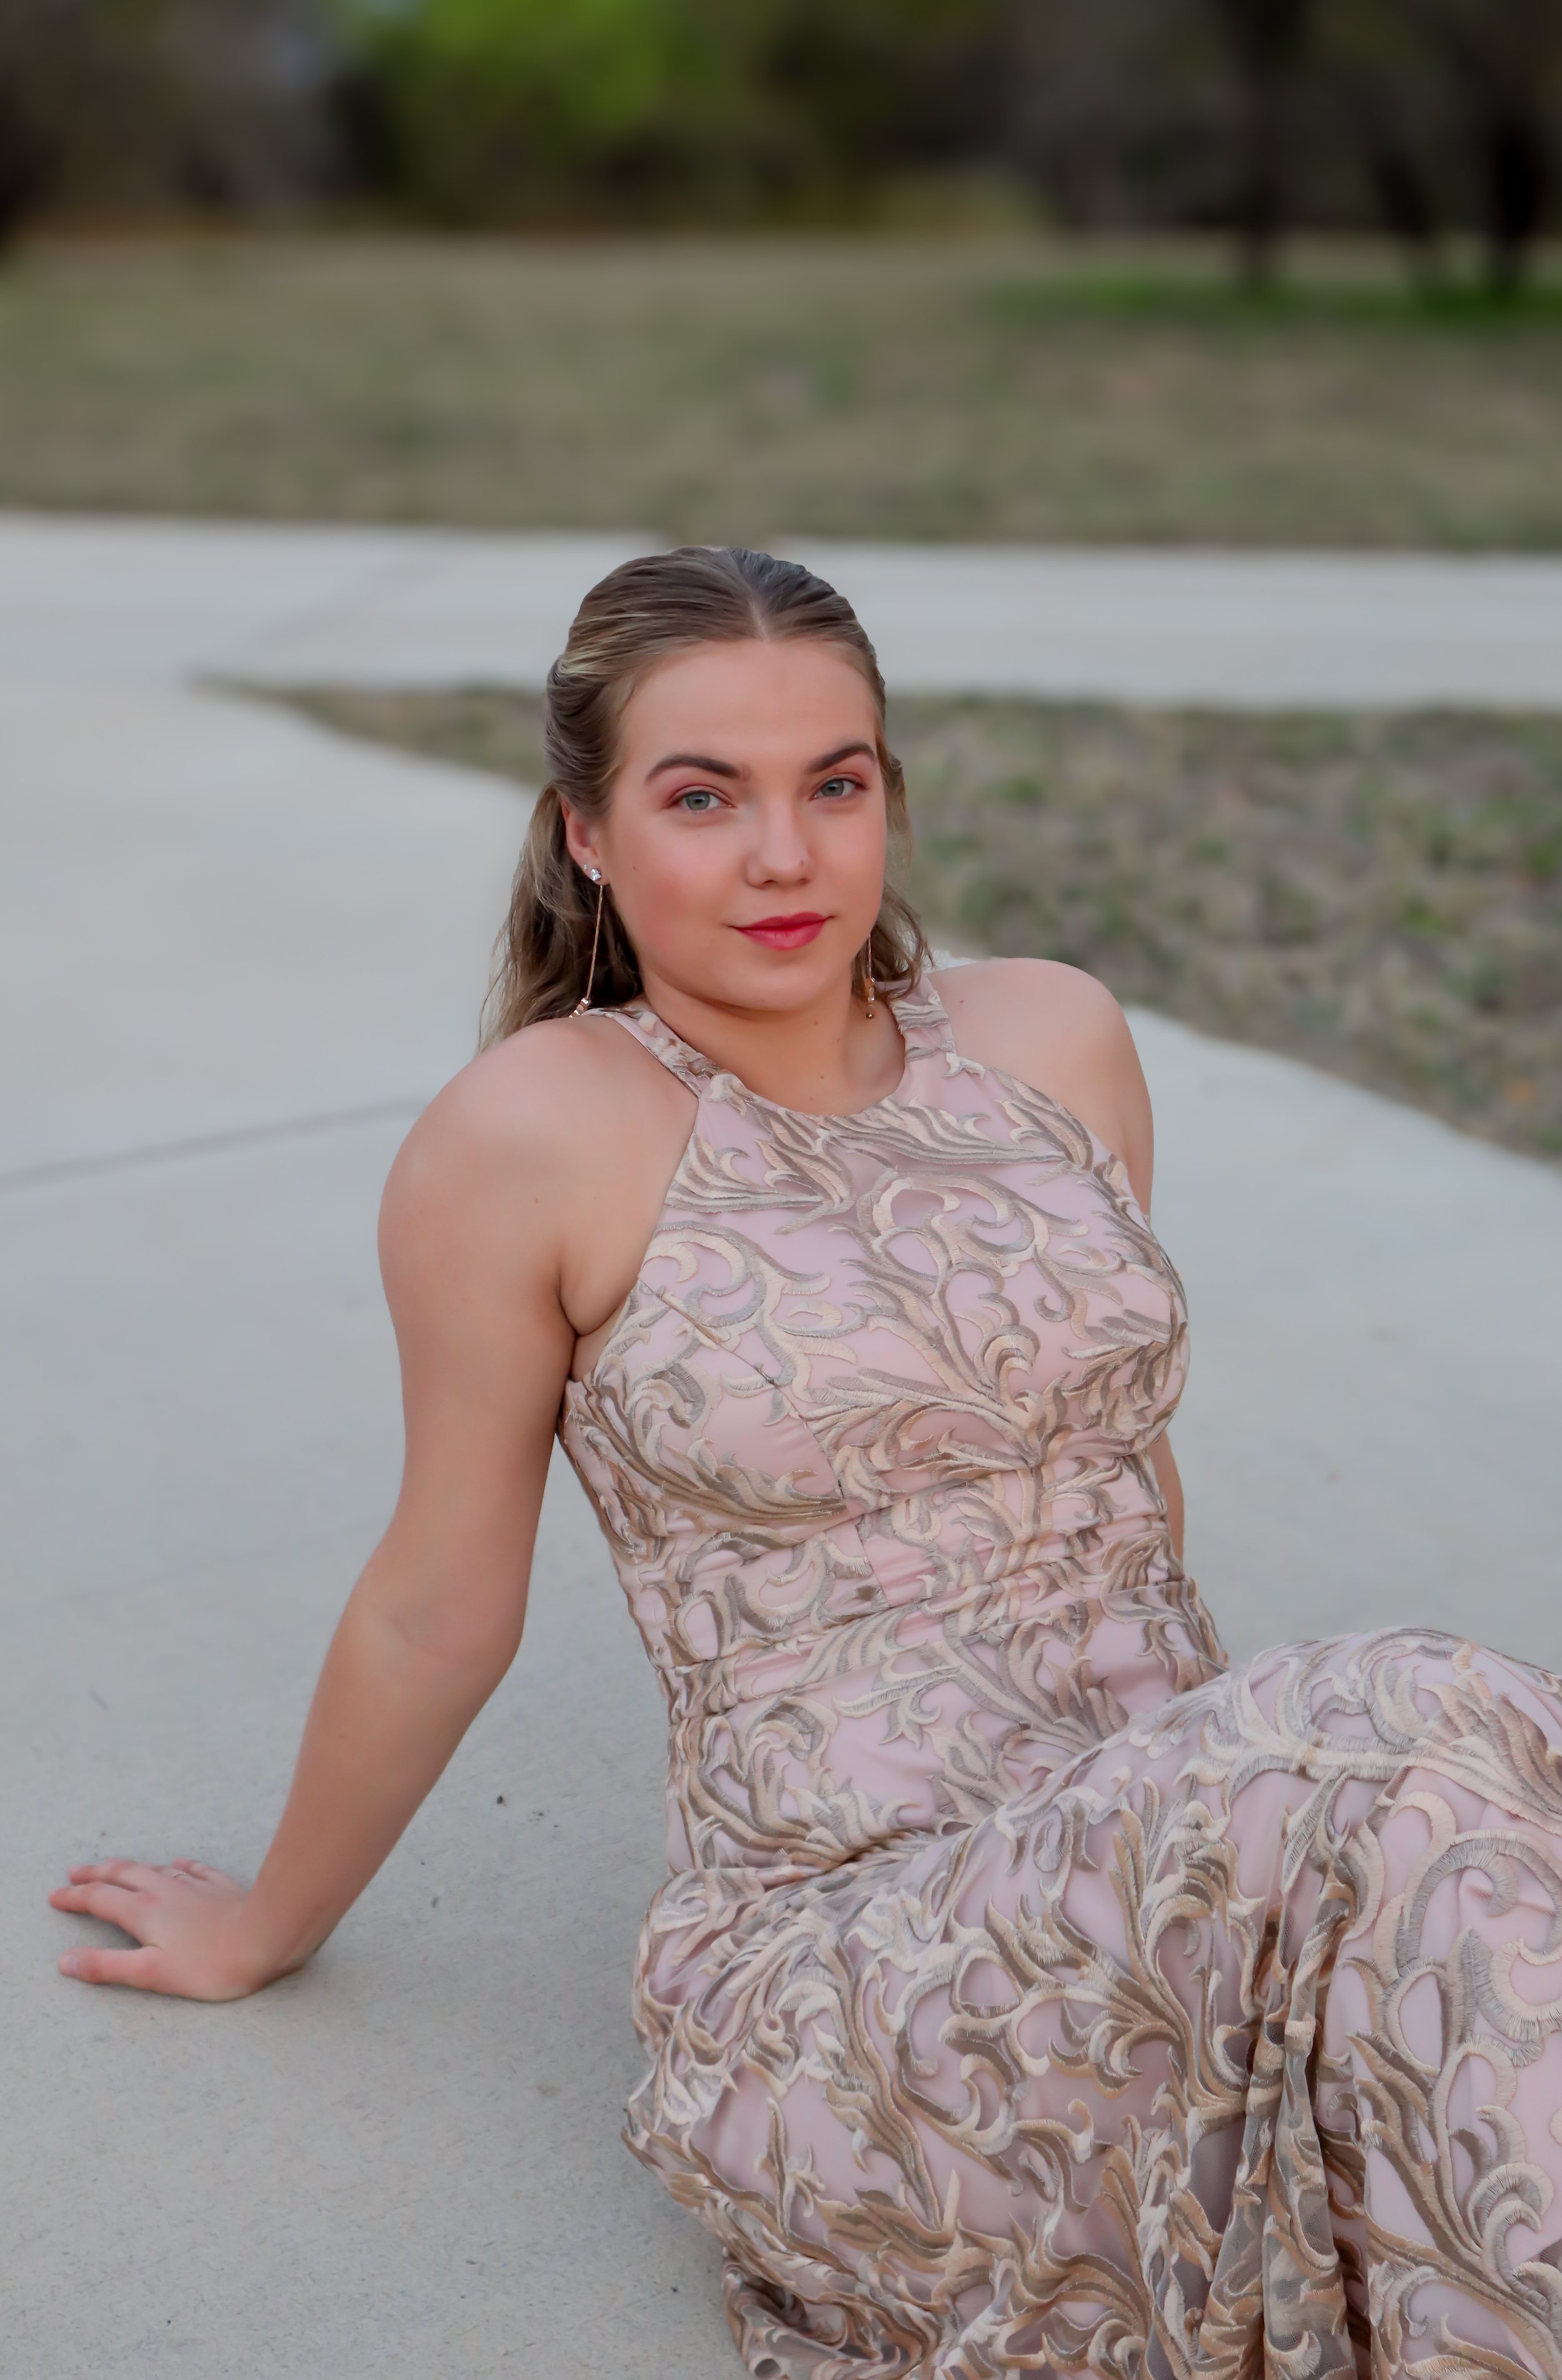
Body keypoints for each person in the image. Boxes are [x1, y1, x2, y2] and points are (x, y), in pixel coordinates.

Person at [49, 546, 1562, 2378]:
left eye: (832, 785)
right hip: (853, 1974)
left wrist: (1250, 1848)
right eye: (704, 797)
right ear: (586, 834)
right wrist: (264, 1928)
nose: (786, 856)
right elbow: (439, 1602)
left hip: (1151, 1870)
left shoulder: (1047, 1040)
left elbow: (1121, 1472)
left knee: (1434, 1825)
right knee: (1416, 1711)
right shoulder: (536, 1132)